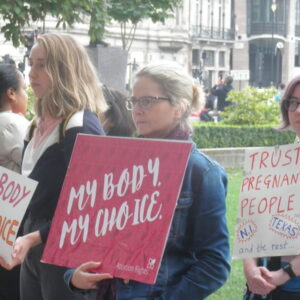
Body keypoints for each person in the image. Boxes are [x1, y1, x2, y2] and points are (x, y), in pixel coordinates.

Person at [65, 61, 231, 299]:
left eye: (147, 101)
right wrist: (73, 276)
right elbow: (84, 239)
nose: (137, 110)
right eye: (134, 102)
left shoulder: (201, 173)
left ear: (179, 107)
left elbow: (215, 264)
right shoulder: (111, 163)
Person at [0, 33, 107, 300]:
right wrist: (9, 236)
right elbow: (25, 192)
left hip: (65, 249)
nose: (31, 73)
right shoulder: (36, 125)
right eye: (31, 63)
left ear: (64, 70)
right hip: (33, 243)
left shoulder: (81, 125)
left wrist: (33, 237)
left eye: (42, 65)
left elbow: (91, 205)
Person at [243, 74, 300, 300]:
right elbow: (250, 226)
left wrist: (284, 274)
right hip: (263, 287)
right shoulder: (272, 163)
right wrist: (250, 271)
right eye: (293, 102)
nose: (297, 110)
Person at [0, 63, 29, 300]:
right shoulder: (13, 123)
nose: (26, 95)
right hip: (10, 220)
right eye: (24, 89)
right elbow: (31, 166)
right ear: (11, 93)